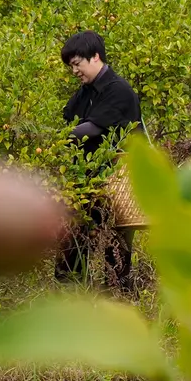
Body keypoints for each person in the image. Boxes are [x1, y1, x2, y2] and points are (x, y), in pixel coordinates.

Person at [55, 30, 143, 291]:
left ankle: (119, 301)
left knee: (116, 248)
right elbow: (68, 116)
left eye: (76, 64)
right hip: (90, 181)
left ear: (95, 57)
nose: (74, 71)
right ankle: (69, 295)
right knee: (73, 238)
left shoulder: (118, 90)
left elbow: (91, 129)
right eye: (71, 66)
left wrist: (56, 138)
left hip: (118, 180)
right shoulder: (86, 92)